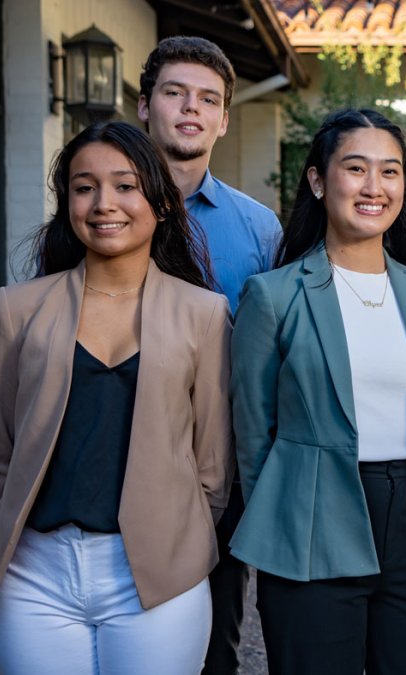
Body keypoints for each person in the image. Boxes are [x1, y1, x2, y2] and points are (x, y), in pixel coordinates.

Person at [0, 120, 233, 674]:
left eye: (125, 185)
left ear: (160, 203)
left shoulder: (204, 314)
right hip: (34, 574)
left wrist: (175, 534)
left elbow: (212, 466)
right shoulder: (17, 310)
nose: (102, 203)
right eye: (84, 187)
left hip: (158, 572)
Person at [229, 109, 406, 675]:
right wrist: (287, 513)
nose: (373, 187)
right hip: (309, 513)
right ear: (318, 180)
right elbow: (252, 434)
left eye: (390, 172)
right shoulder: (272, 296)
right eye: (355, 168)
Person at [137, 36, 282, 673]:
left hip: (214, 462)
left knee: (214, 635)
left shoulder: (260, 229)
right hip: (116, 451)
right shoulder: (100, 208)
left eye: (208, 99)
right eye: (175, 93)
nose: (190, 109)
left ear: (224, 119)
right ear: (145, 106)